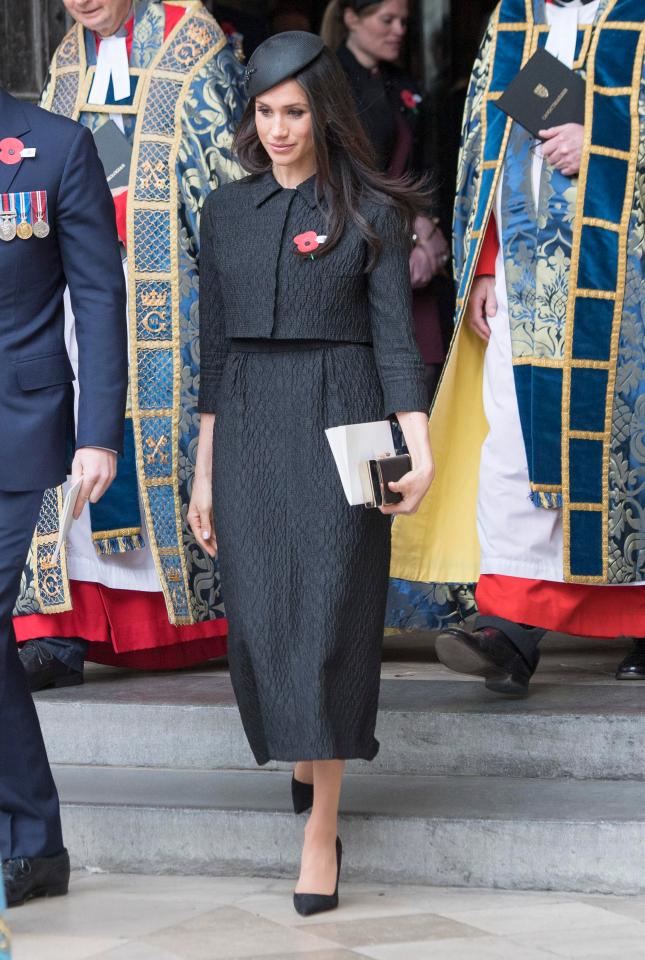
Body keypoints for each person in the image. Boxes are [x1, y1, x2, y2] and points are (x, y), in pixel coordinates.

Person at [189, 32, 433, 915]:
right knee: (261, 621)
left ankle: (320, 828)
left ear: (324, 112)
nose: (280, 127)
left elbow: (395, 344)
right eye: (265, 111)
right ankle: (301, 745)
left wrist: (420, 443)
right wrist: (204, 475)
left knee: (331, 617)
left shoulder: (369, 206)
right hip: (251, 417)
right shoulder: (226, 211)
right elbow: (214, 353)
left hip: (350, 417)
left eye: (294, 110)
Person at [390, 0, 645, 694]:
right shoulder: (514, 18)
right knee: (514, 443)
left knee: (627, 442)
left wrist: (603, 135)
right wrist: (479, 263)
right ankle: (509, 625)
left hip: (624, 279)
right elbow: (486, 148)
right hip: (523, 276)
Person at [13, 0, 247, 689]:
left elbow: (222, 172)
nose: (82, 2)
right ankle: (59, 629)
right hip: (68, 285)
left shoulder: (192, 43)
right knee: (62, 427)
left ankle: (181, 619)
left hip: (164, 280)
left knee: (153, 436)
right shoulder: (66, 58)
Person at [0, 86, 127, 905]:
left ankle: (30, 834)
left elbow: (97, 293)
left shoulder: (53, 143)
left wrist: (97, 432)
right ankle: (35, 841)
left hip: (20, 424)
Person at [322, 0, 452, 401]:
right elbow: (347, 173)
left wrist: (429, 225)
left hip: (415, 240)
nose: (398, 30)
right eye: (387, 20)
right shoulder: (332, 80)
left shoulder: (403, 83)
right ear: (351, 18)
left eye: (403, 22)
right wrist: (411, 237)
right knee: (380, 379)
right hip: (367, 239)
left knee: (427, 367)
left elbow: (427, 163)